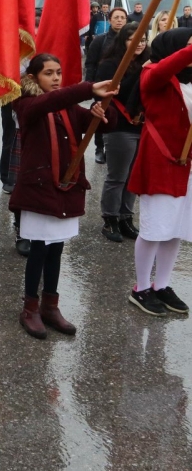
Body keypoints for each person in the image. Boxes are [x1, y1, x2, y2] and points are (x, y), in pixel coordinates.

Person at [11, 54, 117, 339]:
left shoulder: (67, 106)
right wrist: (87, 88)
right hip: (39, 189)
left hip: (65, 188)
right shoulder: (26, 104)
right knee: (38, 249)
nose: (56, 78)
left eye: (59, 72)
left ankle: (50, 305)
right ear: (33, 79)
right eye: (48, 73)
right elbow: (47, 103)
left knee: (56, 248)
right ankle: (29, 308)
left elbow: (102, 125)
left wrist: (102, 109)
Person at [125, 28, 192, 317]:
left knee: (175, 229)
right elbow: (164, 69)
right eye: (187, 46)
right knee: (154, 229)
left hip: (187, 163)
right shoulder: (152, 73)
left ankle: (162, 285)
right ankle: (140, 288)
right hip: (161, 161)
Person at [95, 24, 147, 243]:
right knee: (118, 176)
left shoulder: (148, 62)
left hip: (141, 126)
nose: (140, 42)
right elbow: (117, 92)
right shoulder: (110, 64)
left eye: (143, 38)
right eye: (133, 38)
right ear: (122, 40)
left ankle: (126, 216)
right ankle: (110, 218)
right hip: (119, 126)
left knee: (133, 176)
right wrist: (141, 73)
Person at [86, 7, 129, 164]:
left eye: (122, 18)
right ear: (110, 20)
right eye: (116, 17)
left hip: (124, 86)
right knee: (101, 116)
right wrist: (90, 86)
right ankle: (99, 148)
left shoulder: (131, 40)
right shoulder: (100, 40)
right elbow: (90, 64)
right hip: (102, 85)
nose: (119, 20)